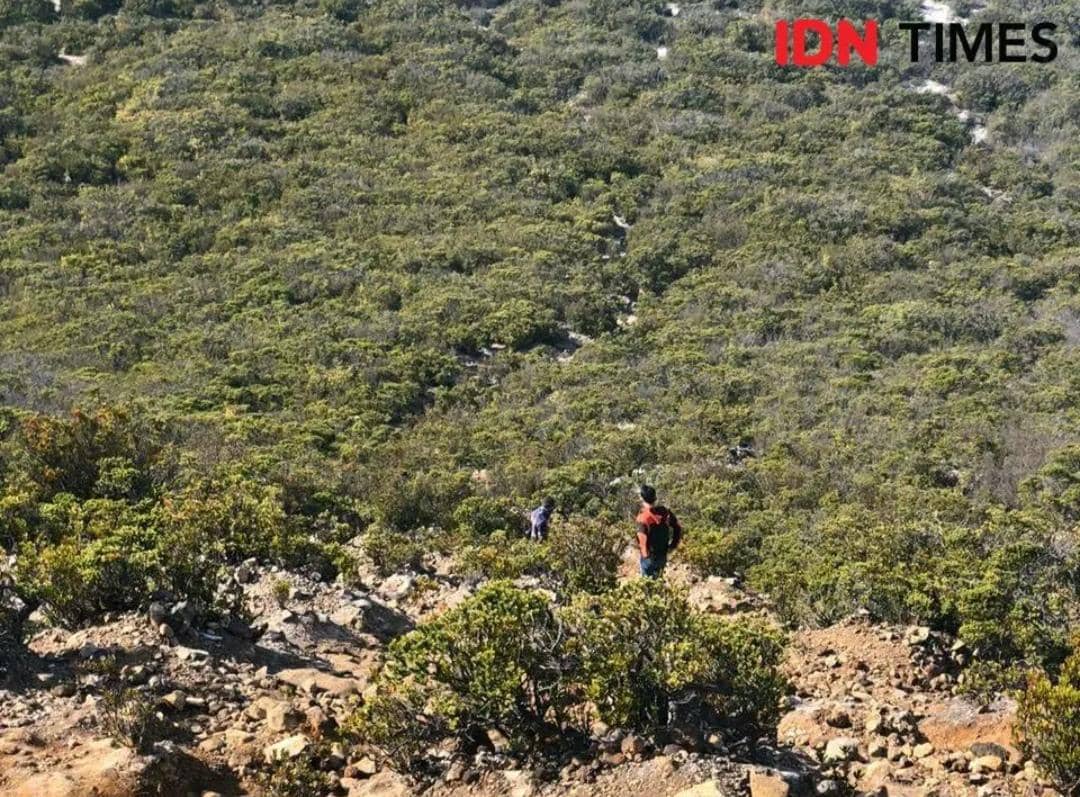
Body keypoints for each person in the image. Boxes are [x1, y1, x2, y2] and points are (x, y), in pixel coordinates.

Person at [635, 484, 682, 578]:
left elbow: (642, 542)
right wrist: (673, 545)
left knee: (648, 586)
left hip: (649, 559)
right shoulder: (665, 512)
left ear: (642, 498)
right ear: (655, 497)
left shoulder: (643, 518)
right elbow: (678, 527)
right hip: (662, 556)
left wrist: (645, 556)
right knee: (658, 582)